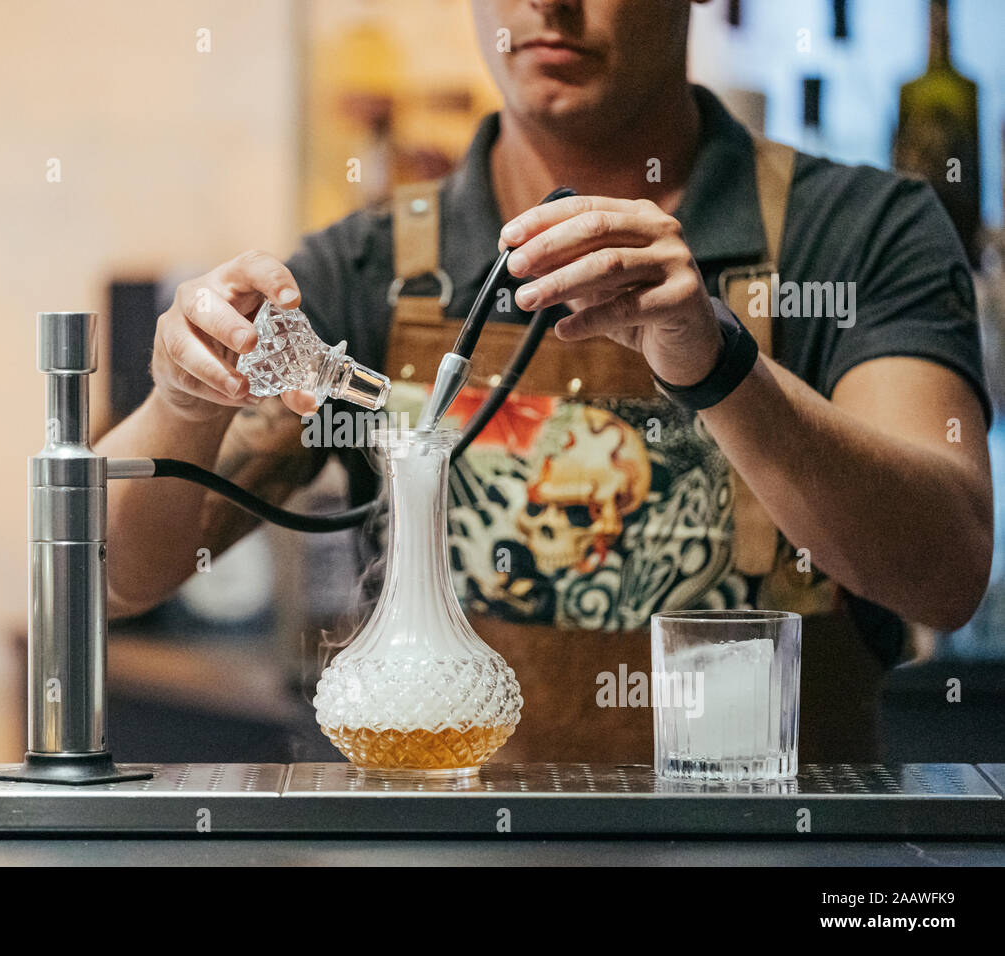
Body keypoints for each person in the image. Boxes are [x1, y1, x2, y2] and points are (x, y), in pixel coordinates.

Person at [98, 0, 993, 762]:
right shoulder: (373, 264)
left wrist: (725, 370)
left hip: (774, 853)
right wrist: (180, 400)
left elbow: (946, 571)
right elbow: (114, 577)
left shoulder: (862, 233)